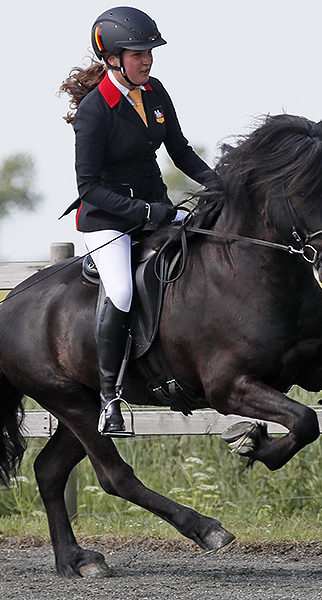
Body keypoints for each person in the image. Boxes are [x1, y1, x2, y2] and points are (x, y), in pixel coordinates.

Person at [58, 6, 216, 435]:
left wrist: (222, 185)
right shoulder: (95, 110)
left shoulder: (156, 91)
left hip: (155, 211)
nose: (146, 59)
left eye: (149, 52)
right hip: (107, 221)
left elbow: (180, 151)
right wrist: (148, 212)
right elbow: (88, 187)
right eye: (137, 53)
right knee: (124, 289)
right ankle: (111, 397)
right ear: (112, 58)